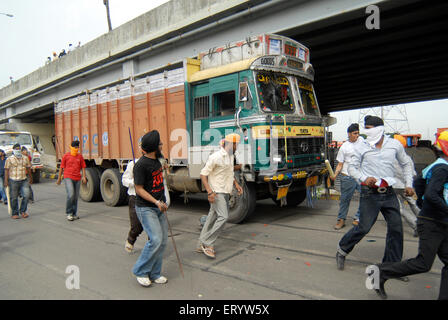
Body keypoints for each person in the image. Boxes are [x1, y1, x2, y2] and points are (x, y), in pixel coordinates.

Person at [372, 130, 448, 300]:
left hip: (436, 221)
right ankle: (381, 271)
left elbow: (420, 190)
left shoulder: (434, 166)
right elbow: (430, 195)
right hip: (433, 224)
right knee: (423, 263)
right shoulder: (442, 168)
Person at [336, 115, 415, 271]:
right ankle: (342, 250)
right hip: (369, 193)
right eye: (365, 129)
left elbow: (406, 164)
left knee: (396, 229)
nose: (366, 132)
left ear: (380, 129)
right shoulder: (361, 147)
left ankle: (391, 266)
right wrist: (365, 178)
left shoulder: (394, 145)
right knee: (363, 227)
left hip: (389, 193)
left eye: (369, 129)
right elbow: (352, 168)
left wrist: (408, 184)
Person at [196, 133, 244, 259]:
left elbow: (229, 172)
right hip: (216, 192)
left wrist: (236, 185)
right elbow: (203, 174)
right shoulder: (215, 157)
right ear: (231, 144)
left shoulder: (230, 156)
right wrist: (210, 192)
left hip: (225, 190)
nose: (237, 147)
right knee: (223, 216)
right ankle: (208, 243)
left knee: (212, 217)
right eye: (236, 144)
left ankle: (200, 243)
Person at [132, 130, 169, 287]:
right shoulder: (140, 165)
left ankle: (154, 273)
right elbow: (139, 189)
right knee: (155, 239)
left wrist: (164, 200)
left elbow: (160, 183)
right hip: (146, 207)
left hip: (159, 205)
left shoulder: (158, 160)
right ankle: (140, 271)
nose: (162, 145)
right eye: (160, 143)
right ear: (154, 147)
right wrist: (156, 202)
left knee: (163, 242)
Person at [331, 123, 362, 229]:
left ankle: (358, 217)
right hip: (347, 176)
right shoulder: (344, 146)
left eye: (358, 133)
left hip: (360, 176)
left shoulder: (363, 142)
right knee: (344, 200)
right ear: (349, 134)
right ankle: (341, 220)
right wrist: (335, 175)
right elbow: (340, 164)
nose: (357, 135)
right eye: (354, 133)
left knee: (366, 196)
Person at [393, 135, 420, 237]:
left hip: (393, 186)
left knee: (399, 208)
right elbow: (413, 174)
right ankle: (423, 222)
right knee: (413, 203)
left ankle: (415, 224)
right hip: (406, 186)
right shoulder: (407, 158)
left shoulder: (389, 157)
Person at [56, 140, 87, 221]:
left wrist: (84, 176)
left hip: (77, 178)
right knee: (71, 194)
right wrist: (59, 178)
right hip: (68, 177)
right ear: (71, 147)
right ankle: (69, 213)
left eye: (77, 147)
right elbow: (61, 168)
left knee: (75, 197)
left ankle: (74, 213)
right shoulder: (66, 156)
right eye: (75, 147)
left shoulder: (80, 156)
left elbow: (83, 167)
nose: (76, 149)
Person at [4, 143, 33, 219]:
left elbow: (28, 168)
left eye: (18, 149)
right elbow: (6, 170)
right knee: (13, 197)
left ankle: (23, 211)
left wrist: (31, 178)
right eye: (16, 149)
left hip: (24, 179)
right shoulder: (9, 159)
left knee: (26, 195)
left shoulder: (25, 158)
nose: (17, 150)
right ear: (13, 150)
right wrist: (6, 181)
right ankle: (15, 213)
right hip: (13, 180)